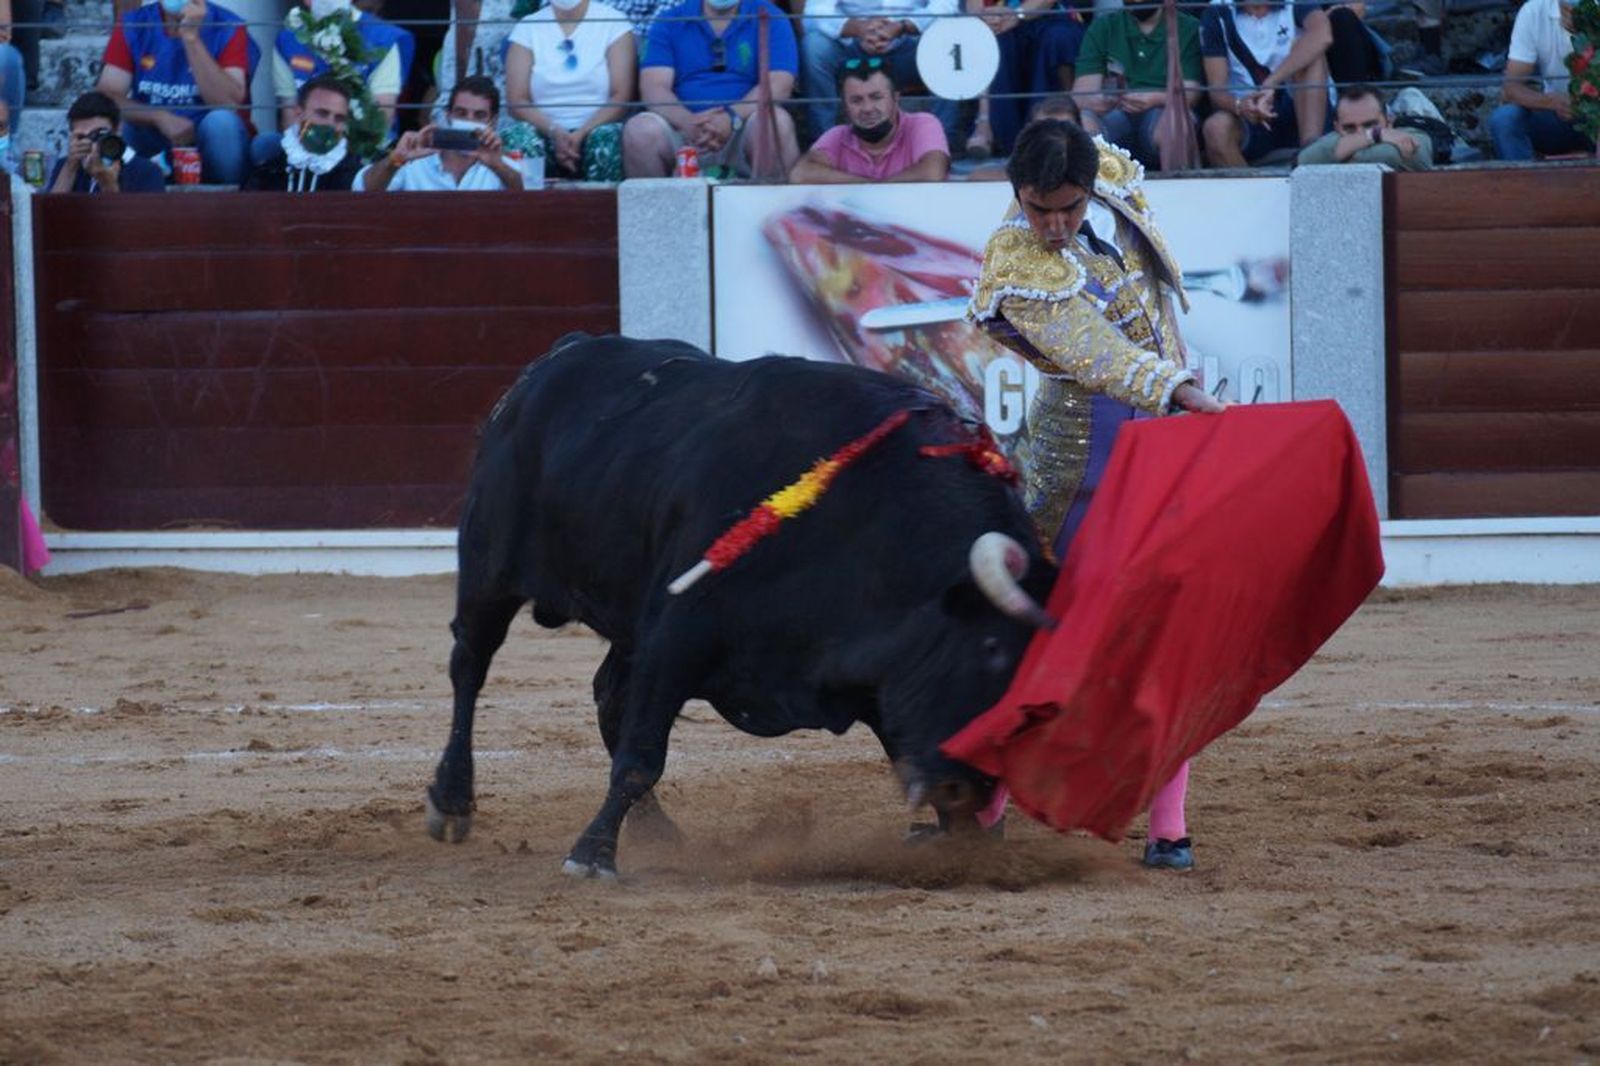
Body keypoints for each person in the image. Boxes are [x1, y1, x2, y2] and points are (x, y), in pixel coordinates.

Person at [968, 118, 1224, 869]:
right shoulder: (1015, 262)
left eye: (1068, 209)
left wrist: (1177, 382)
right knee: (1041, 631)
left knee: (1166, 627)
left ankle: (1170, 824)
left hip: (1164, 438)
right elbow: (1098, 353)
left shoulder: (1111, 176)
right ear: (1016, 192)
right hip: (1081, 458)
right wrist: (1174, 385)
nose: (1052, 225)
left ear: (1091, 188)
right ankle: (984, 807)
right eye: (1037, 207)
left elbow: (1152, 300)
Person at [622, 0, 801, 178]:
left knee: (775, 123)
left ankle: (772, 206)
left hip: (744, 127)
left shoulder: (772, 17)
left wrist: (731, 118)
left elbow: (779, 84)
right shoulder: (669, 20)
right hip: (682, 131)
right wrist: (687, 121)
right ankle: (656, 206)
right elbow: (654, 87)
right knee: (640, 131)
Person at [94, 0, 257, 184]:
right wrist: (159, 117)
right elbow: (106, 98)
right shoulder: (134, 23)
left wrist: (191, 38)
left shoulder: (228, 25)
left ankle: (228, 204)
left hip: (210, 141)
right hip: (156, 135)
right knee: (126, 124)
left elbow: (227, 103)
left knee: (222, 123)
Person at [503, 0, 636, 182]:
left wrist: (580, 134)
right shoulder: (527, 27)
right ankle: (531, 209)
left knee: (605, 139)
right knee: (518, 137)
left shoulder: (614, 23)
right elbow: (516, 100)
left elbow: (621, 96)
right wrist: (555, 132)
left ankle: (602, 209)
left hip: (596, 129)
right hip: (544, 132)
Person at [799, 0, 958, 147]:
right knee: (814, 47)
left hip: (912, 45)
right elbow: (814, 13)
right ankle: (824, 145)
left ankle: (940, 144)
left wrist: (903, 26)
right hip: (851, 46)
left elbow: (946, 7)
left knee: (949, 38)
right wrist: (859, 29)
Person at [1198, 0, 1333, 168]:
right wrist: (1241, 106)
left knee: (1310, 54)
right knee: (1215, 128)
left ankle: (1310, 161)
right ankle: (1252, 192)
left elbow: (1322, 35)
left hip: (1301, 106)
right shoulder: (1217, 10)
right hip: (1251, 114)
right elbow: (1216, 91)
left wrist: (1270, 83)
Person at [1071, 0, 1204, 170]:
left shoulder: (1188, 27)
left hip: (1164, 109)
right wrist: (1100, 100)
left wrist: (1155, 98)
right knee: (1081, 123)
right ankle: (1094, 192)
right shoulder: (1104, 26)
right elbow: (1081, 94)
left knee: (1177, 125)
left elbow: (1192, 93)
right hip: (1114, 113)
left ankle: (1180, 190)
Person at [264, 0, 412, 148]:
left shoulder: (384, 37)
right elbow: (289, 116)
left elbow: (383, 115)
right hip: (307, 140)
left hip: (363, 145)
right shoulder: (288, 40)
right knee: (265, 145)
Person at [788, 57, 949, 181]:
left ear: (896, 98)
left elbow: (933, 172)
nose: (867, 108)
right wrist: (869, 186)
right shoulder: (838, 135)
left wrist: (870, 190)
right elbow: (800, 173)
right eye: (856, 100)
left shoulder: (922, 124)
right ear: (844, 105)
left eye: (876, 97)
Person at [355, 74, 524, 189]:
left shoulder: (500, 163)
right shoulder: (416, 158)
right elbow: (362, 189)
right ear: (448, 115)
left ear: (492, 121)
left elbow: (533, 195)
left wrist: (496, 164)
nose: (469, 121)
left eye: (479, 115)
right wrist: (397, 159)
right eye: (461, 113)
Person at [964, 0, 1085, 157]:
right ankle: (1004, 139)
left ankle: (1051, 135)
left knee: (1057, 38)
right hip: (1003, 22)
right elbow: (974, 7)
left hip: (1050, 17)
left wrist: (1017, 14)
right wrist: (986, 18)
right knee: (994, 39)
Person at [1490, 0, 1592, 161]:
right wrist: (1551, 101)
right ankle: (1521, 184)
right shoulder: (1534, 11)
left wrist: (1590, 31)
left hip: (1595, 114)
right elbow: (1511, 89)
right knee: (1505, 119)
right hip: (1558, 116)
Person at [244, 74, 365, 189]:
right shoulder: (268, 172)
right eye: (322, 113)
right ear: (299, 113)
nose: (330, 123)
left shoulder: (355, 173)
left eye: (339, 118)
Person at [46, 91, 169, 192]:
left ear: (117, 130)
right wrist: (70, 167)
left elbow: (138, 221)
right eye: (82, 137)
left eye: (99, 134)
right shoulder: (66, 166)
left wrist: (107, 184)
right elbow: (49, 216)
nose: (93, 143)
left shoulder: (146, 172)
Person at [1296, 82, 1431, 169]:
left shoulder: (1411, 134)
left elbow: (1389, 156)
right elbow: (1303, 160)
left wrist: (1339, 155)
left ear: (1389, 121)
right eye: (1349, 128)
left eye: (1369, 125)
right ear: (1337, 128)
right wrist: (1375, 134)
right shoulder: (1336, 138)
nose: (1360, 133)